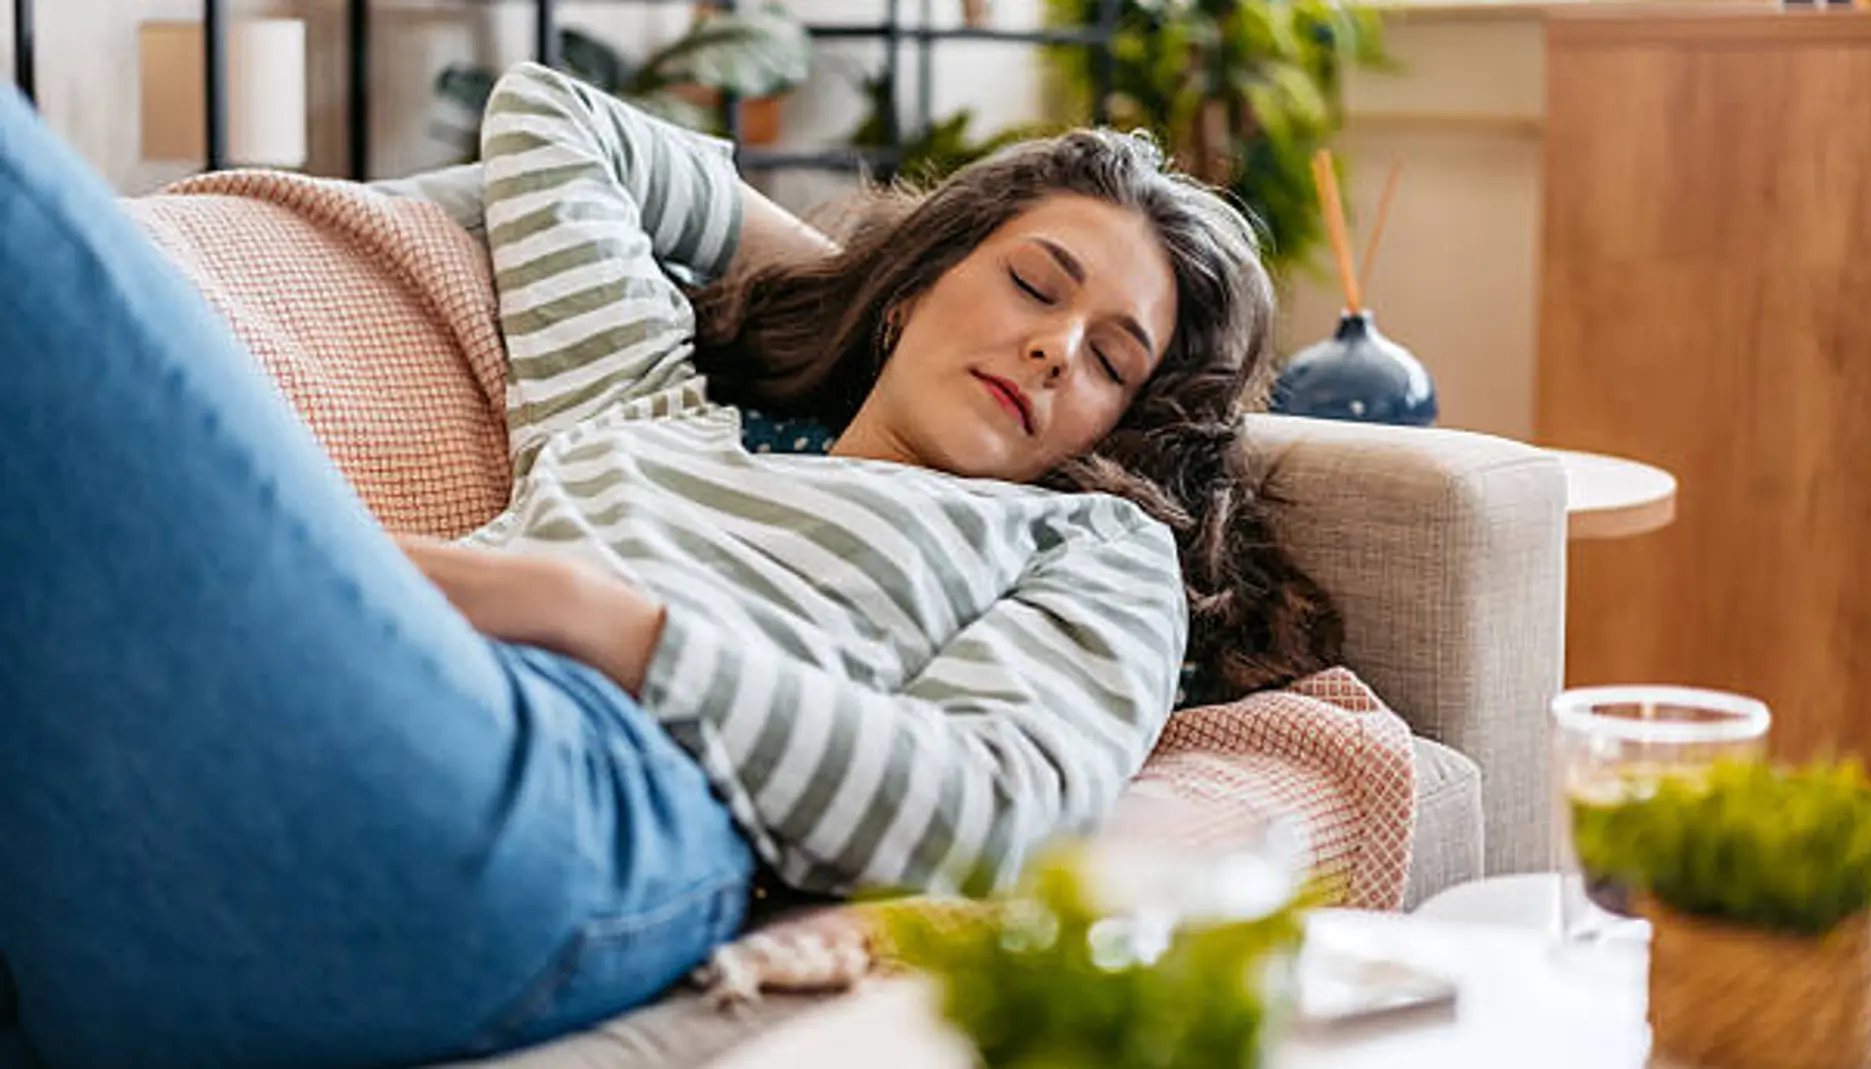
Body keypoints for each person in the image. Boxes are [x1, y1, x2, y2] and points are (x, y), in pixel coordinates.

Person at [0, 62, 1335, 1069]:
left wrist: (599, 619)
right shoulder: (640, 401)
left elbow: (996, 814)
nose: (1058, 349)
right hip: (264, 786)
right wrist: (861, 277)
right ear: (930, 276)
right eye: (1034, 285)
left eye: (1113, 359)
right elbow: (552, 117)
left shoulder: (1086, 543)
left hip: (592, 797)